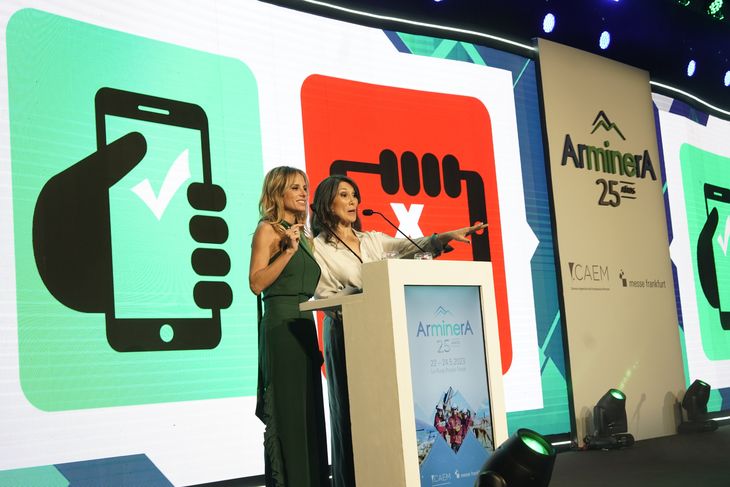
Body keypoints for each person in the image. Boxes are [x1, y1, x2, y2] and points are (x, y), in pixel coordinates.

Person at [310, 174, 486, 487]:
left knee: (384, 413)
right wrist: (365, 298)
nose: (353, 201)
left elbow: (409, 247)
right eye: (345, 195)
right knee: (351, 415)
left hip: (383, 332)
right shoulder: (319, 248)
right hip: (346, 334)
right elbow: (325, 296)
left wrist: (444, 237)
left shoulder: (372, 240)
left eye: (355, 195)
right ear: (327, 203)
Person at [249, 166, 328, 487]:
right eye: (295, 187)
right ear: (277, 192)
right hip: (281, 327)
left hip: (305, 326)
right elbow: (256, 283)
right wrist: (287, 253)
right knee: (288, 413)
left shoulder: (305, 237)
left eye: (305, 187)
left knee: (308, 413)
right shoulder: (268, 230)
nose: (303, 193)